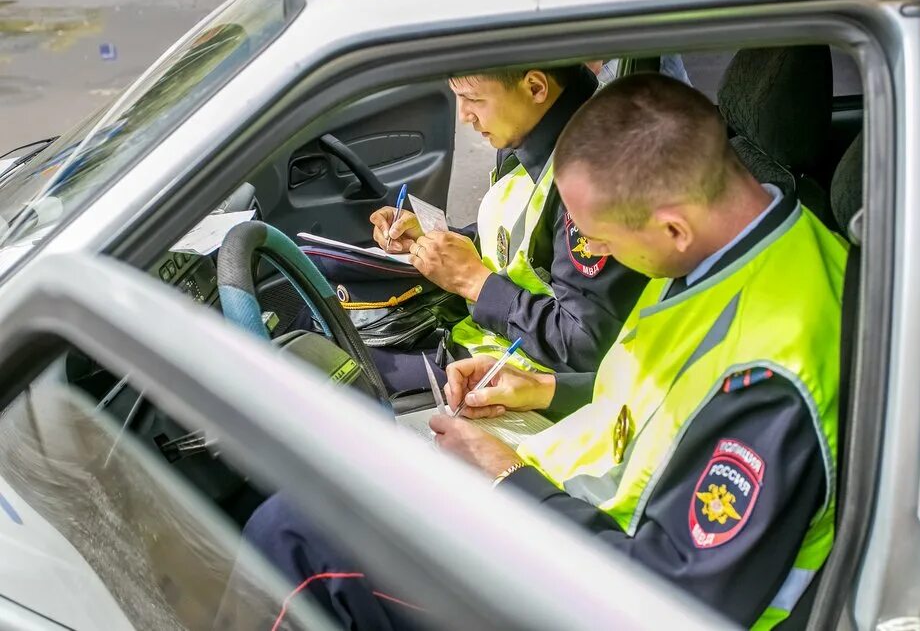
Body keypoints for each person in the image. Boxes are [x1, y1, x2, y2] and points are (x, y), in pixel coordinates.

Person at [232, 73, 846, 630]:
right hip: (559, 504)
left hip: (584, 582)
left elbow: (667, 601)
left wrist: (508, 479)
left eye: (602, 239)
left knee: (294, 540)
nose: (595, 255)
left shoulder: (770, 385)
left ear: (671, 227)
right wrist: (543, 389)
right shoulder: (746, 237)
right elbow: (665, 395)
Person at [350, 65, 648, 395]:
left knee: (348, 374)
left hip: (526, 381)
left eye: (473, 99)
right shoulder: (531, 136)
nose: (464, 115)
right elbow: (521, 243)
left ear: (535, 88)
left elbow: (583, 345)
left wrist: (474, 281)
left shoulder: (590, 181)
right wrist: (437, 239)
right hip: (488, 346)